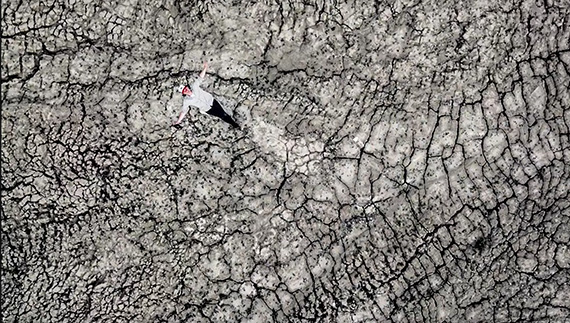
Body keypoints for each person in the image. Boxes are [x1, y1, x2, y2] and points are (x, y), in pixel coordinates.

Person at [173, 62, 240, 129]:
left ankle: (234, 124)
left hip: (211, 101)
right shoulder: (186, 101)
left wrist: (205, 68)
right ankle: (234, 125)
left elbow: (200, 78)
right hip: (207, 109)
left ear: (187, 87)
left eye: (186, 88)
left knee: (223, 113)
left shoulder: (194, 86)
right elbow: (184, 111)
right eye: (184, 91)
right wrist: (178, 121)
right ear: (184, 93)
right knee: (221, 115)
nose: (186, 90)